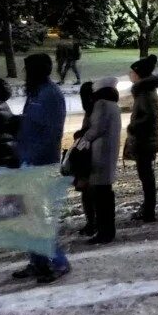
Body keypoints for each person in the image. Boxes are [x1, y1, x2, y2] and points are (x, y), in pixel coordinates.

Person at [12, 53, 69, 284]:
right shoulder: (37, 93)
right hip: (29, 161)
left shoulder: (49, 95)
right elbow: (31, 125)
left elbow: (50, 133)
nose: (25, 73)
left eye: (27, 69)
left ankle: (59, 262)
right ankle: (38, 262)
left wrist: (32, 158)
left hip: (40, 164)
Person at [80, 77, 121, 243]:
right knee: (105, 194)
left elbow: (96, 129)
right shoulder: (113, 105)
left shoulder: (101, 105)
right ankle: (107, 230)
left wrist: (83, 138)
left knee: (101, 196)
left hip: (100, 153)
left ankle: (104, 232)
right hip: (108, 153)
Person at [124, 54, 158, 222]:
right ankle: (148, 209)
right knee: (145, 176)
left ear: (139, 73)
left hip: (145, 141)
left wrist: (133, 127)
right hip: (144, 140)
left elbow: (149, 117)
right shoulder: (143, 91)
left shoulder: (145, 93)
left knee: (146, 176)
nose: (129, 75)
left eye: (132, 72)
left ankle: (149, 211)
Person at [72, 81, 97, 236]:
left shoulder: (93, 110)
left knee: (88, 191)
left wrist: (80, 135)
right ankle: (91, 222)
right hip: (88, 155)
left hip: (89, 156)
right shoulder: (93, 109)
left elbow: (91, 131)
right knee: (88, 191)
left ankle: (92, 222)